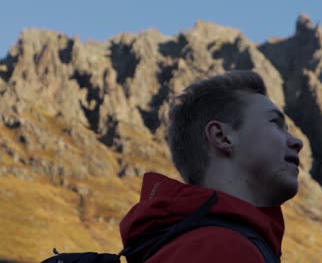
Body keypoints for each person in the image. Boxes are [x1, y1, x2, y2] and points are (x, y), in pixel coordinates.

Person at [119, 70, 303, 262]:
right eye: (275, 123)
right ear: (221, 136)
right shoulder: (224, 249)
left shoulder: (206, 243)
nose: (297, 142)